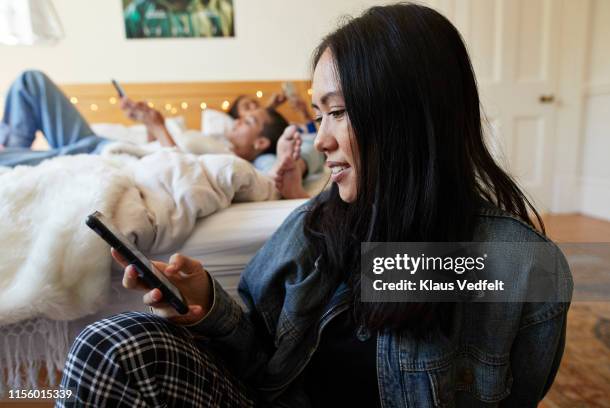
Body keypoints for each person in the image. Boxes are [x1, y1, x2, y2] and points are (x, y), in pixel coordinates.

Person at [56, 3, 572, 407]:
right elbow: (259, 362)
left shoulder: (518, 266)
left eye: (338, 112)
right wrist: (206, 307)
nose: (320, 141)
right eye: (317, 115)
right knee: (112, 344)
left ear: (408, 117)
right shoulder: (313, 225)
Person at [0, 70, 323, 185]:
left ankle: (10, 158)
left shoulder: (238, 164)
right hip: (106, 144)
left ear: (260, 144)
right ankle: (12, 152)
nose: (238, 119)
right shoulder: (216, 141)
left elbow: (179, 172)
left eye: (249, 121)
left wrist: (158, 126)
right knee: (31, 81)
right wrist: (147, 122)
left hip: (112, 157)